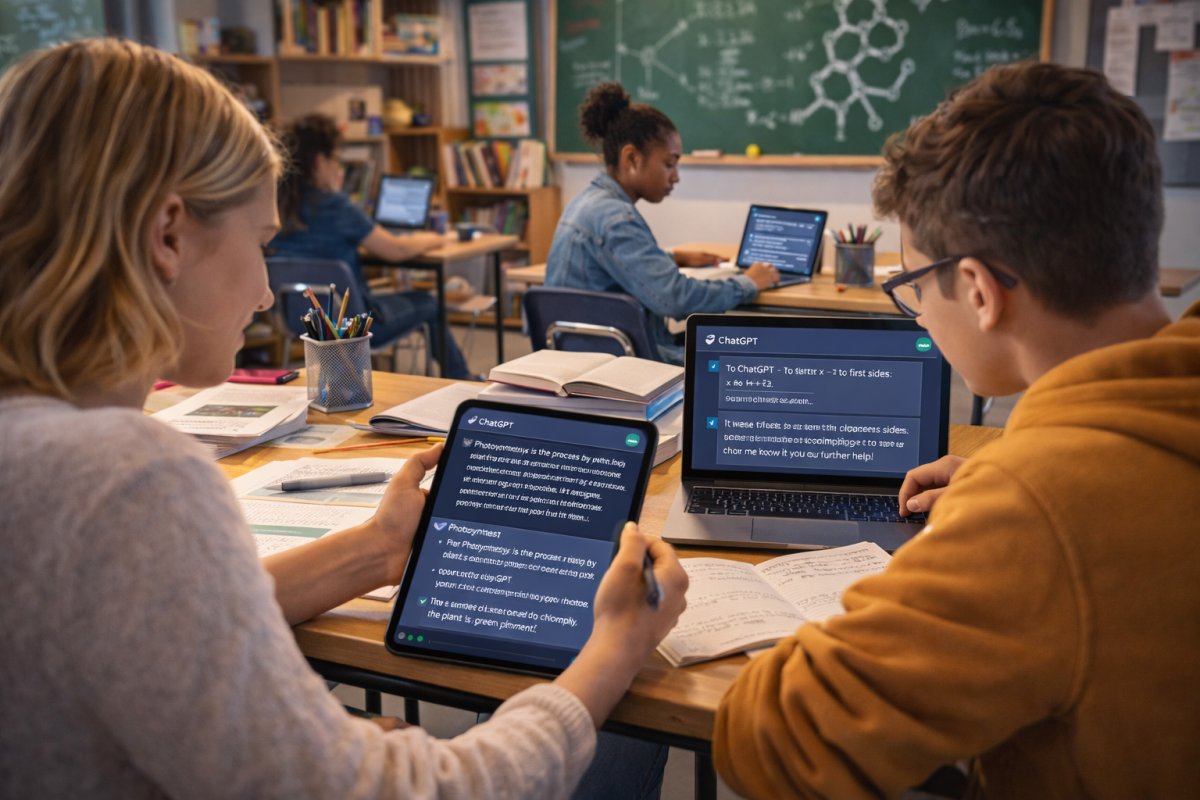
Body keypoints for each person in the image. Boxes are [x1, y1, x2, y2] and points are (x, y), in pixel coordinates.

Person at [0, 39, 688, 798]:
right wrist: (616, 646)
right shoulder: (128, 479)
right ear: (167, 234)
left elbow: (156, 628)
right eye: (263, 242)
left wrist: (374, 550)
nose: (267, 294)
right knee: (626, 719)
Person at [714, 61, 1199, 798]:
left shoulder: (1033, 510)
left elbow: (773, 742)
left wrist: (993, 518)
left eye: (911, 285)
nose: (917, 309)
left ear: (977, 290)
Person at [545, 82, 780, 364]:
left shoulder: (585, 202)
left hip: (578, 355)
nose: (676, 177)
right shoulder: (615, 218)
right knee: (749, 359)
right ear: (632, 158)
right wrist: (748, 283)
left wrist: (671, 257)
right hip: (615, 365)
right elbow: (676, 300)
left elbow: (609, 267)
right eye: (670, 163)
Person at [269, 113, 475, 379]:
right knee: (429, 302)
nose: (337, 168)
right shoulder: (336, 206)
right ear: (320, 162)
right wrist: (435, 237)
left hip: (297, 319)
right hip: (353, 324)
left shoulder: (278, 207)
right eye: (336, 161)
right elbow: (396, 250)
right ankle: (462, 378)